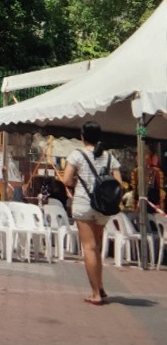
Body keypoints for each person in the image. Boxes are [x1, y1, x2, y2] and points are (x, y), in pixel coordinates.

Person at [61, 121, 122, 306]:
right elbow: (118, 183)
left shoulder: (76, 155)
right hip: (103, 207)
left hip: (83, 204)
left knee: (89, 247)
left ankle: (95, 293)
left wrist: (78, 185)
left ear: (82, 135)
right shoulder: (110, 157)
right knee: (96, 246)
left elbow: (66, 179)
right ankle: (101, 286)